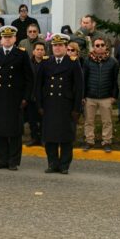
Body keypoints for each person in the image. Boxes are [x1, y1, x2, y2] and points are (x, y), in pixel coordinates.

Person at [0, 26, 33, 171]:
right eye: (4, 37)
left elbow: (29, 78)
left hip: (15, 98)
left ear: (14, 39)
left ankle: (13, 161)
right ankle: (2, 160)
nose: (7, 40)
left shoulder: (21, 54)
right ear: (1, 39)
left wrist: (26, 97)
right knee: (0, 131)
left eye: (9, 37)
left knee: (14, 131)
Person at [35, 33, 84, 174]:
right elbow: (38, 86)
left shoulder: (73, 62)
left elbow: (79, 87)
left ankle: (64, 165)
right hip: (49, 104)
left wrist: (76, 108)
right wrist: (39, 105)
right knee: (50, 137)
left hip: (66, 106)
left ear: (65, 47)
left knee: (65, 137)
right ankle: (52, 163)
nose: (57, 48)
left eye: (60, 45)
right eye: (55, 45)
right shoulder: (45, 62)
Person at [82, 37, 118, 153]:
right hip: (90, 96)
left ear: (106, 46)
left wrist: (114, 96)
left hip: (106, 97)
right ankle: (89, 141)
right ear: (93, 46)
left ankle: (107, 141)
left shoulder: (113, 62)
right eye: (97, 45)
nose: (100, 47)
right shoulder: (87, 61)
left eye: (102, 45)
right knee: (89, 120)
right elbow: (84, 79)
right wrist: (83, 96)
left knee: (107, 121)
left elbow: (115, 80)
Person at [26, 42, 48, 147]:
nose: (39, 51)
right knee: (32, 119)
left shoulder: (48, 63)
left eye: (42, 49)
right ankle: (34, 138)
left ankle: (43, 139)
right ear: (33, 51)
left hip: (44, 97)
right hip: (31, 96)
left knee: (44, 119)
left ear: (45, 51)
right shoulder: (28, 63)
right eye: (37, 49)